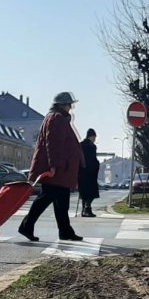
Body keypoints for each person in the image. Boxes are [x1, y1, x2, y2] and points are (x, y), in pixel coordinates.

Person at [19, 92, 83, 243]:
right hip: (57, 169)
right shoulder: (57, 119)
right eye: (69, 105)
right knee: (46, 198)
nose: (71, 108)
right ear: (62, 105)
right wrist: (54, 166)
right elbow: (54, 144)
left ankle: (65, 231)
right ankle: (27, 226)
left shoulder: (55, 118)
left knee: (61, 202)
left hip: (60, 168)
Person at [77, 128, 101, 217]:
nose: (95, 139)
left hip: (83, 172)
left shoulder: (81, 145)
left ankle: (84, 210)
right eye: (94, 137)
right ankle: (87, 209)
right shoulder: (90, 146)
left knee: (85, 192)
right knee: (91, 192)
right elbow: (92, 159)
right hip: (89, 172)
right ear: (91, 136)